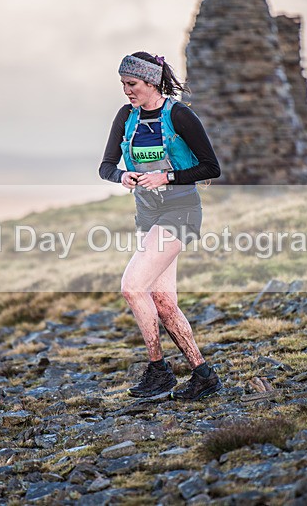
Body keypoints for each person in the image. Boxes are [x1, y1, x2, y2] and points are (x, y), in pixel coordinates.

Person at [99, 51, 222, 401]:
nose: (126, 91)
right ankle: (203, 375)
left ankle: (159, 369)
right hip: (148, 216)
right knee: (164, 301)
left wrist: (166, 176)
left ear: (151, 81)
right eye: (123, 84)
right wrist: (123, 175)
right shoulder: (127, 117)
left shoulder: (180, 115)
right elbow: (106, 166)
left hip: (181, 211)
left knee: (132, 286)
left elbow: (211, 168)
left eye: (131, 84)